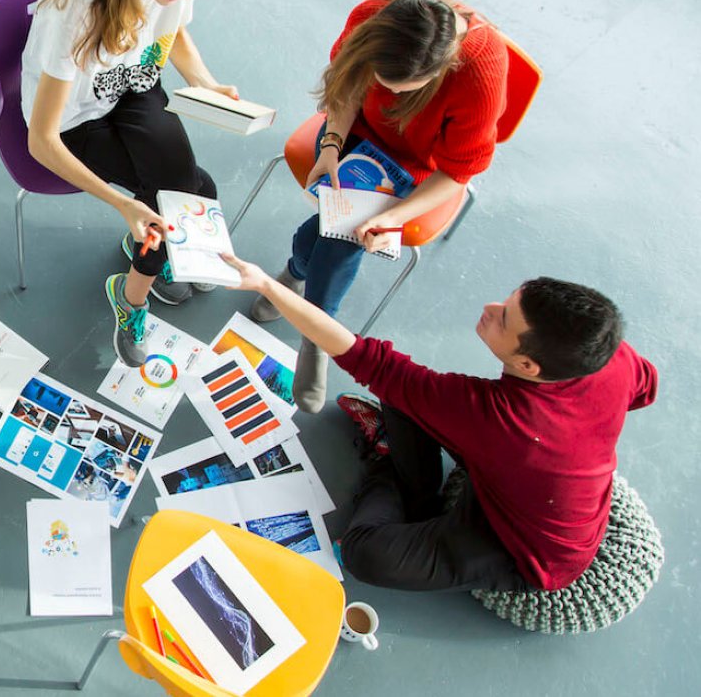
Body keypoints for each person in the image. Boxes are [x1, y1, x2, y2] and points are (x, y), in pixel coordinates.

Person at [226, 252, 658, 592]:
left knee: (365, 556)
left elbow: (360, 356)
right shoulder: (613, 357)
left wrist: (267, 285)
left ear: (528, 364)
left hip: (522, 549)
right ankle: (413, 485)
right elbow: (646, 388)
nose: (490, 308)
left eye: (503, 318)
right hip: (510, 469)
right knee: (402, 393)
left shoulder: (495, 418)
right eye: (506, 301)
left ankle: (386, 462)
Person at [249, 0, 508, 413]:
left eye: (401, 88)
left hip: (418, 167)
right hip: (352, 135)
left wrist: (393, 216)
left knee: (341, 232)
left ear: (441, 70)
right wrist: (331, 145)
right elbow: (347, 90)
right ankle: (312, 312)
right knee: (335, 230)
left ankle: (307, 308)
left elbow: (459, 172)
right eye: (382, 80)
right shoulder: (372, 17)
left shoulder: (480, 69)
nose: (387, 92)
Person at [22, 0, 235, 368]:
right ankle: (131, 297)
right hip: (75, 118)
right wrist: (122, 204)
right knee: (177, 198)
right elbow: (41, 141)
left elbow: (171, 31)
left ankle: (146, 269)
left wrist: (205, 82)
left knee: (188, 188)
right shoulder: (79, 6)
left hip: (132, 86)